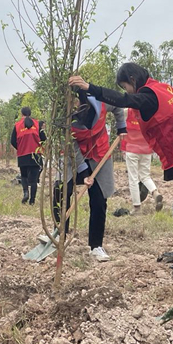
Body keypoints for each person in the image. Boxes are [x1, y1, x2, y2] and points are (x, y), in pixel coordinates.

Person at [69, 65, 173, 280]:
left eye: (125, 86)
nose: (126, 90)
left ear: (133, 80)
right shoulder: (162, 88)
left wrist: (90, 88)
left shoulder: (148, 96)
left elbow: (122, 100)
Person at [58, 88, 126, 262]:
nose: (75, 107)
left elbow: (118, 106)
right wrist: (84, 172)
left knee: (99, 199)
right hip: (75, 156)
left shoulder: (100, 102)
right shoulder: (63, 118)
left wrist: (121, 127)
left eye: (77, 103)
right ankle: (59, 235)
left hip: (99, 153)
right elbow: (72, 146)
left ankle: (96, 246)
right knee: (61, 190)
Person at [121, 107, 163, 214]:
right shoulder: (148, 112)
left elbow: (121, 128)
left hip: (132, 150)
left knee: (133, 179)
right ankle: (155, 193)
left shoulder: (127, 112)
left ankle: (137, 207)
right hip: (146, 150)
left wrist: (123, 148)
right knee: (145, 176)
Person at [10, 106, 46, 206]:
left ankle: (26, 192)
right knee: (34, 180)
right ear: (30, 113)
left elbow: (12, 141)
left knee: (24, 176)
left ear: (21, 114)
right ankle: (32, 201)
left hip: (22, 155)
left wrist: (20, 147)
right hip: (36, 154)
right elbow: (44, 138)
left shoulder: (17, 125)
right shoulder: (37, 124)